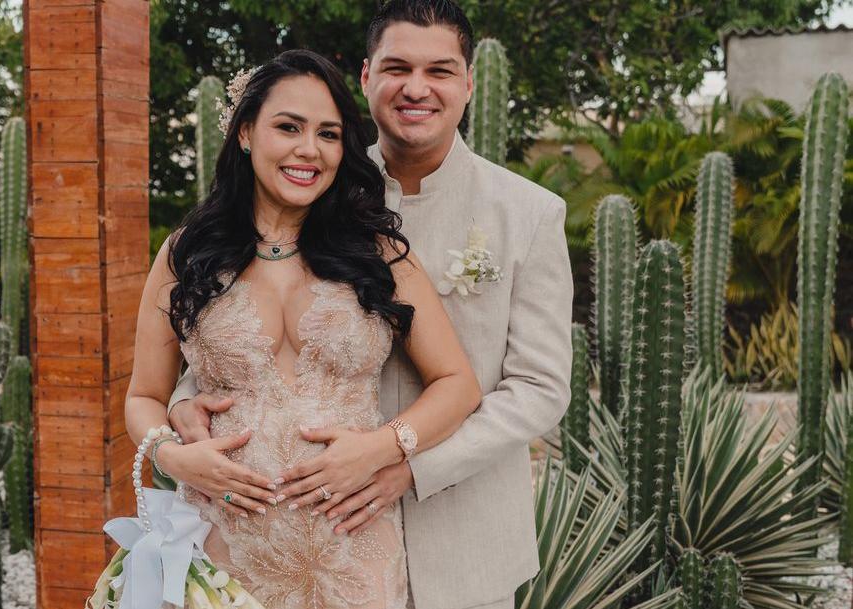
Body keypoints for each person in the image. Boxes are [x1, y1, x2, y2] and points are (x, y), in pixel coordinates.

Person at [166, 2, 574, 609]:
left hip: (461, 538)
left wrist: (403, 461)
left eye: (439, 71)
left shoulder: (528, 213)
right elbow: (234, 316)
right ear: (365, 77)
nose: (417, 88)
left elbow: (539, 387)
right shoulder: (314, 182)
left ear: (469, 82)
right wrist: (184, 404)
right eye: (397, 68)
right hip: (302, 534)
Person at [124, 48, 483, 609]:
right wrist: (170, 455)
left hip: (352, 551)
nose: (309, 149)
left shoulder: (377, 253)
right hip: (224, 547)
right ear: (246, 133)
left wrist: (382, 447)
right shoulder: (186, 254)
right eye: (288, 127)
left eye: (328, 134)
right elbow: (144, 395)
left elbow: (458, 384)